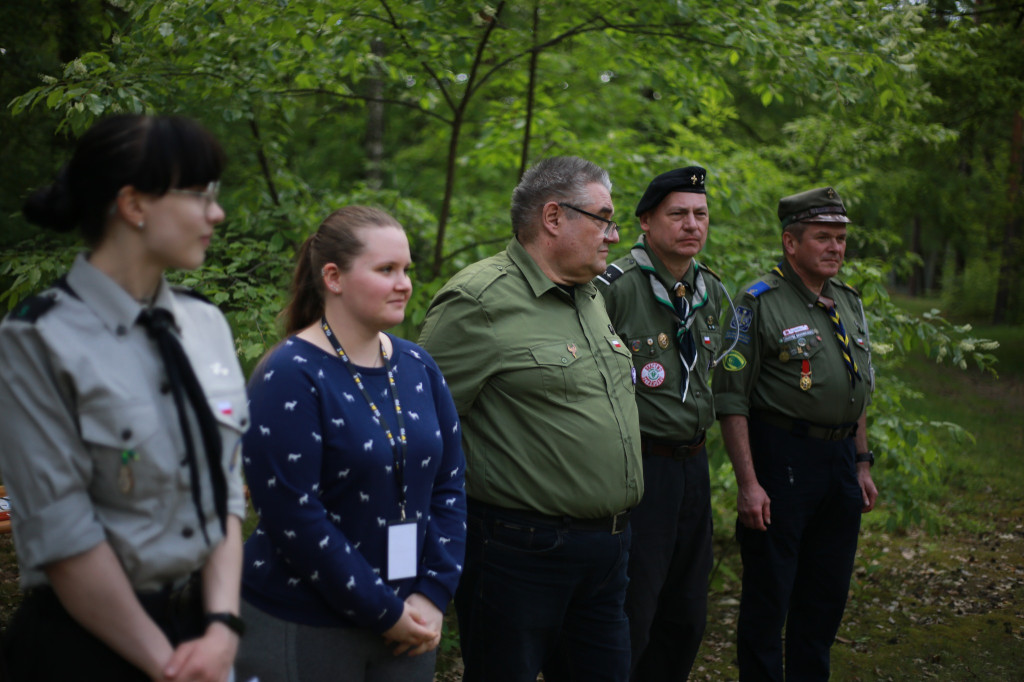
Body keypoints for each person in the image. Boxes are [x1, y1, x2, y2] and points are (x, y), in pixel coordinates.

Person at [0, 114, 248, 681]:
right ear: (134, 205)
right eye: (200, 194)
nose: (217, 213)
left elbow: (225, 492)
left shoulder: (205, 324)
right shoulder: (38, 339)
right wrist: (171, 670)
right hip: (93, 649)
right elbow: (65, 537)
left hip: (207, 640)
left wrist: (221, 630)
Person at [418, 156, 643, 682]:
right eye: (603, 218)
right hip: (520, 553)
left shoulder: (591, 295)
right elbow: (424, 428)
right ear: (553, 217)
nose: (613, 235)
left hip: (608, 551)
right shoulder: (478, 301)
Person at [235, 206, 467, 682]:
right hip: (308, 620)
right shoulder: (290, 375)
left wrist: (432, 593)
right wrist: (384, 612)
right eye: (386, 270)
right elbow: (294, 515)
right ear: (334, 277)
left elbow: (449, 485)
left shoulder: (418, 366)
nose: (404, 283)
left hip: (412, 621)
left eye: (406, 270)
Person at [712, 186, 880, 681]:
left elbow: (857, 385)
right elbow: (731, 398)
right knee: (770, 596)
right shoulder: (758, 302)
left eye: (841, 238)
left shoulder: (847, 301)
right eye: (823, 237)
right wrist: (748, 483)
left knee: (825, 596)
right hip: (782, 458)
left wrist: (862, 461)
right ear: (791, 243)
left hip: (840, 463)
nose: (835, 248)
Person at [595, 166, 727, 680]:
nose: (692, 225)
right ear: (646, 221)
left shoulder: (709, 290)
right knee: (635, 610)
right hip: (639, 469)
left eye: (700, 214)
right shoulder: (614, 288)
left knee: (687, 613)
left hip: (694, 466)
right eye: (678, 214)